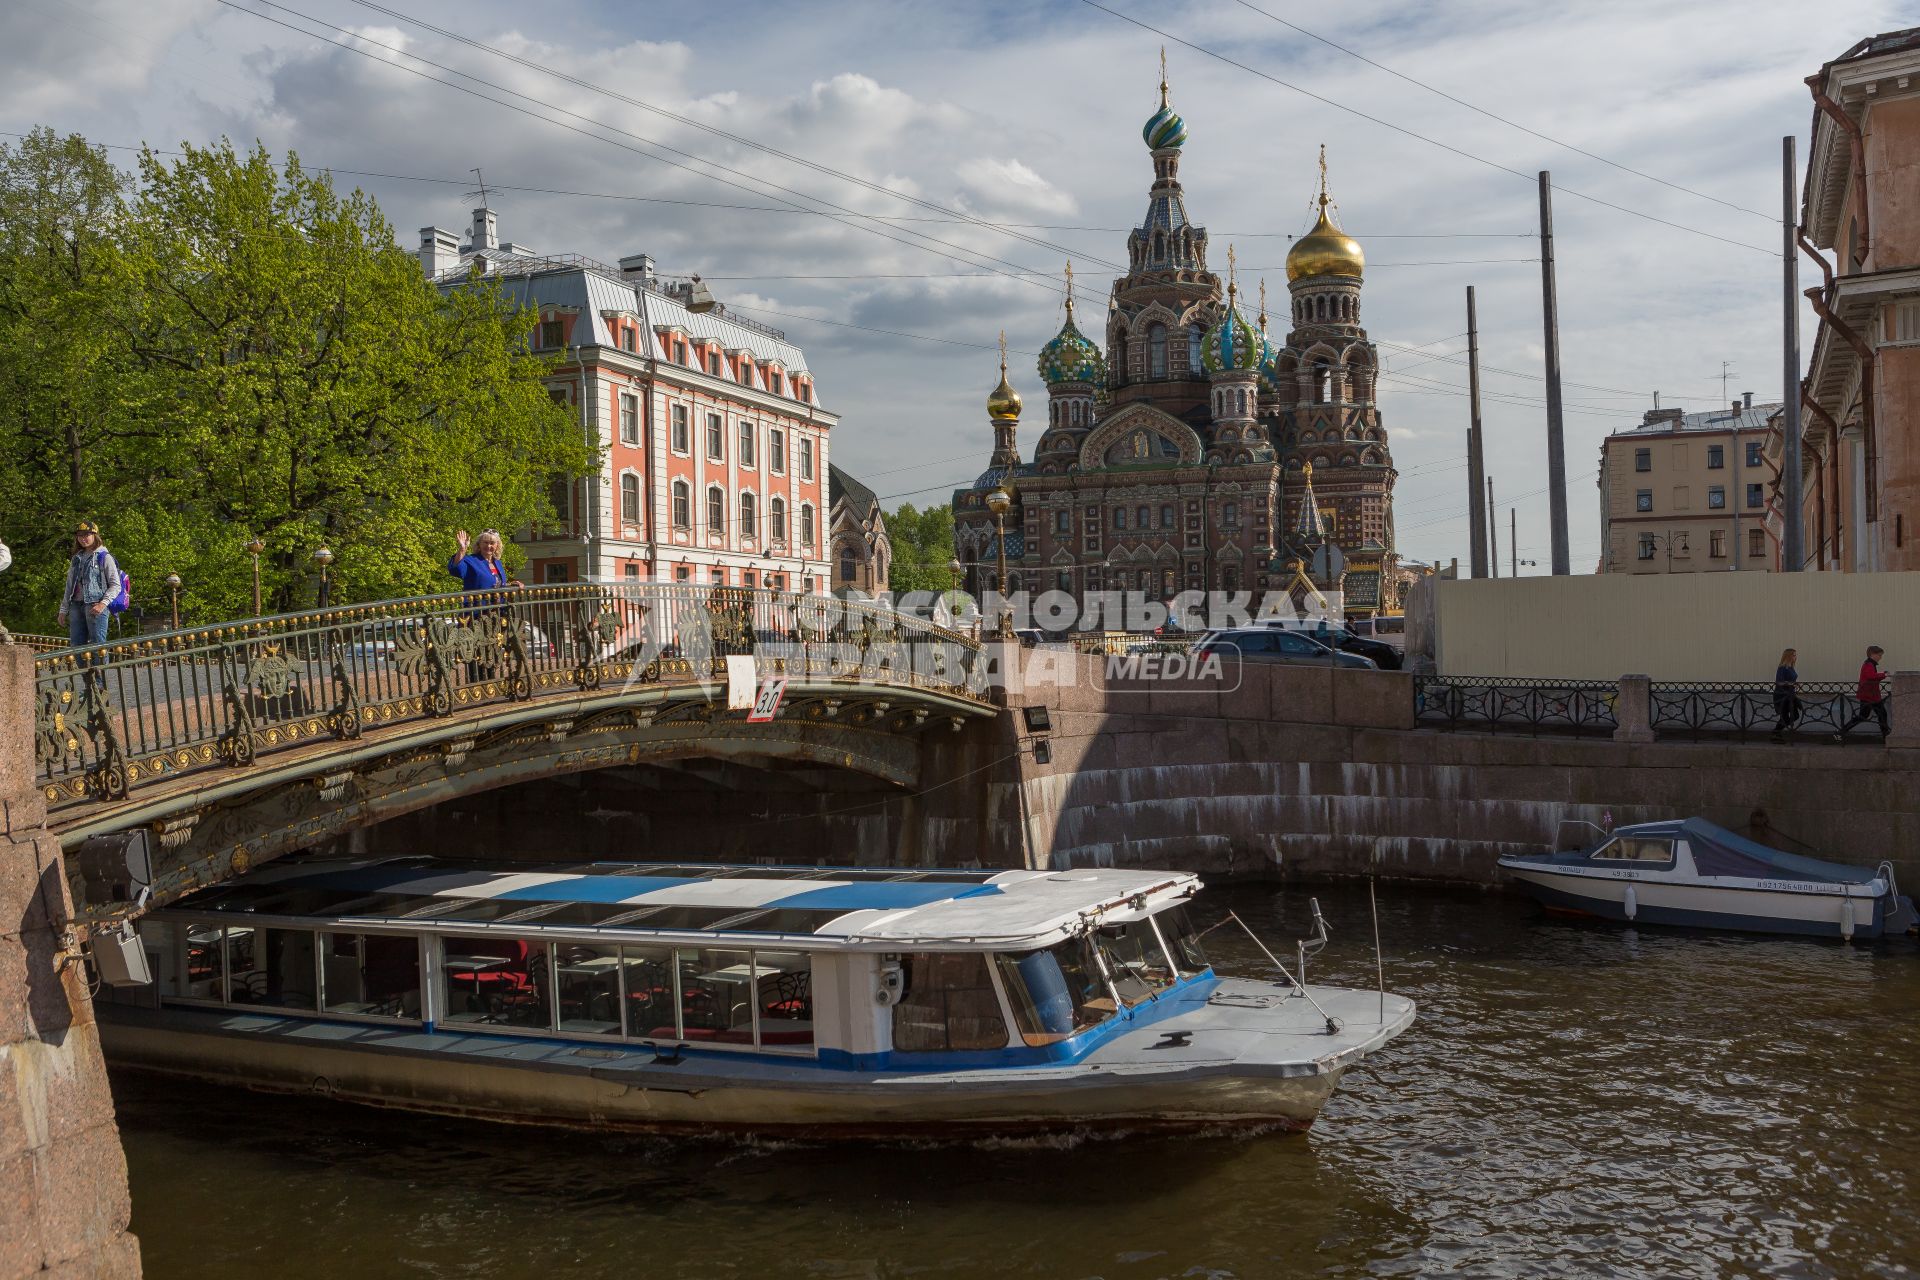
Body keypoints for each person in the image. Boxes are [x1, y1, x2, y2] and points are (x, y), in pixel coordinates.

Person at [57, 522, 120, 649]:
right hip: (75, 604)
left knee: (97, 645)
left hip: (95, 605)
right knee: (76, 645)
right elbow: (69, 586)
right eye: (79, 535)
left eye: (86, 535)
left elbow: (115, 585)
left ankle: (100, 670)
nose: (82, 538)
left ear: (95, 535)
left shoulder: (104, 556)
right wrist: (63, 610)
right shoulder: (76, 558)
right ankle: (84, 670)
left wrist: (103, 604)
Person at [1835, 646, 1891, 741]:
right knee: (1876, 715)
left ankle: (1841, 732)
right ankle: (1840, 732)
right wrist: (1884, 675)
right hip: (1869, 696)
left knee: (1870, 715)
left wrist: (1882, 675)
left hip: (1870, 695)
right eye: (1879, 655)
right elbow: (1870, 676)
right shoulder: (1868, 664)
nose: (1880, 657)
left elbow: (1872, 677)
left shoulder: (1870, 664)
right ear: (1873, 654)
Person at [448, 529, 521, 592]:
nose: (488, 546)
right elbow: (455, 569)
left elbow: (494, 582)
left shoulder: (497, 562)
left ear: (497, 545)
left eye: (492, 543)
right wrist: (462, 549)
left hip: (498, 607)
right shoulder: (471, 560)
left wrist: (510, 585)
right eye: (485, 542)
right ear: (479, 544)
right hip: (478, 606)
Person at [1770, 648, 1801, 742]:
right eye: (1794, 655)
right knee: (1785, 716)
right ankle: (1776, 734)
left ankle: (1776, 733)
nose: (1796, 657)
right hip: (1782, 695)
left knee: (1795, 715)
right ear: (1788, 656)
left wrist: (1794, 684)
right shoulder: (1782, 668)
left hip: (1790, 695)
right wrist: (1791, 684)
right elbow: (1779, 682)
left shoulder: (1791, 667)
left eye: (1795, 655)